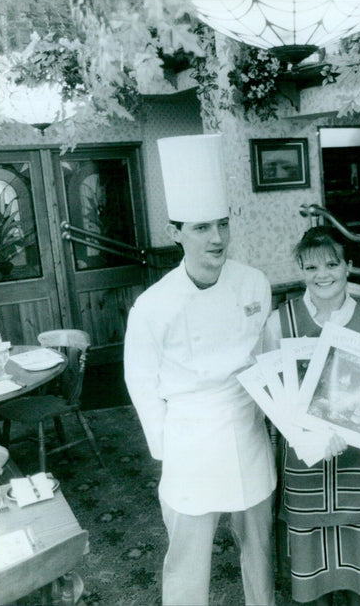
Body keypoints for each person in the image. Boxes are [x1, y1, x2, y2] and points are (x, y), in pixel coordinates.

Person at [124, 134, 276, 606]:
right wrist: (165, 446)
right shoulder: (153, 306)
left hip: (247, 429)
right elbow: (140, 381)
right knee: (188, 559)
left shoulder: (254, 281)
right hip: (189, 440)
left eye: (223, 225)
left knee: (259, 549)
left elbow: (268, 356)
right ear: (176, 232)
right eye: (202, 227)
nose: (217, 238)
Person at [262, 226, 360, 606]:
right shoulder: (280, 321)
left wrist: (349, 429)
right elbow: (271, 391)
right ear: (300, 270)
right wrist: (311, 434)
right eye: (311, 267)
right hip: (304, 462)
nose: (322, 275)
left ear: (348, 266)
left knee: (359, 564)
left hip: (357, 459)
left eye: (332, 264)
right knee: (312, 568)